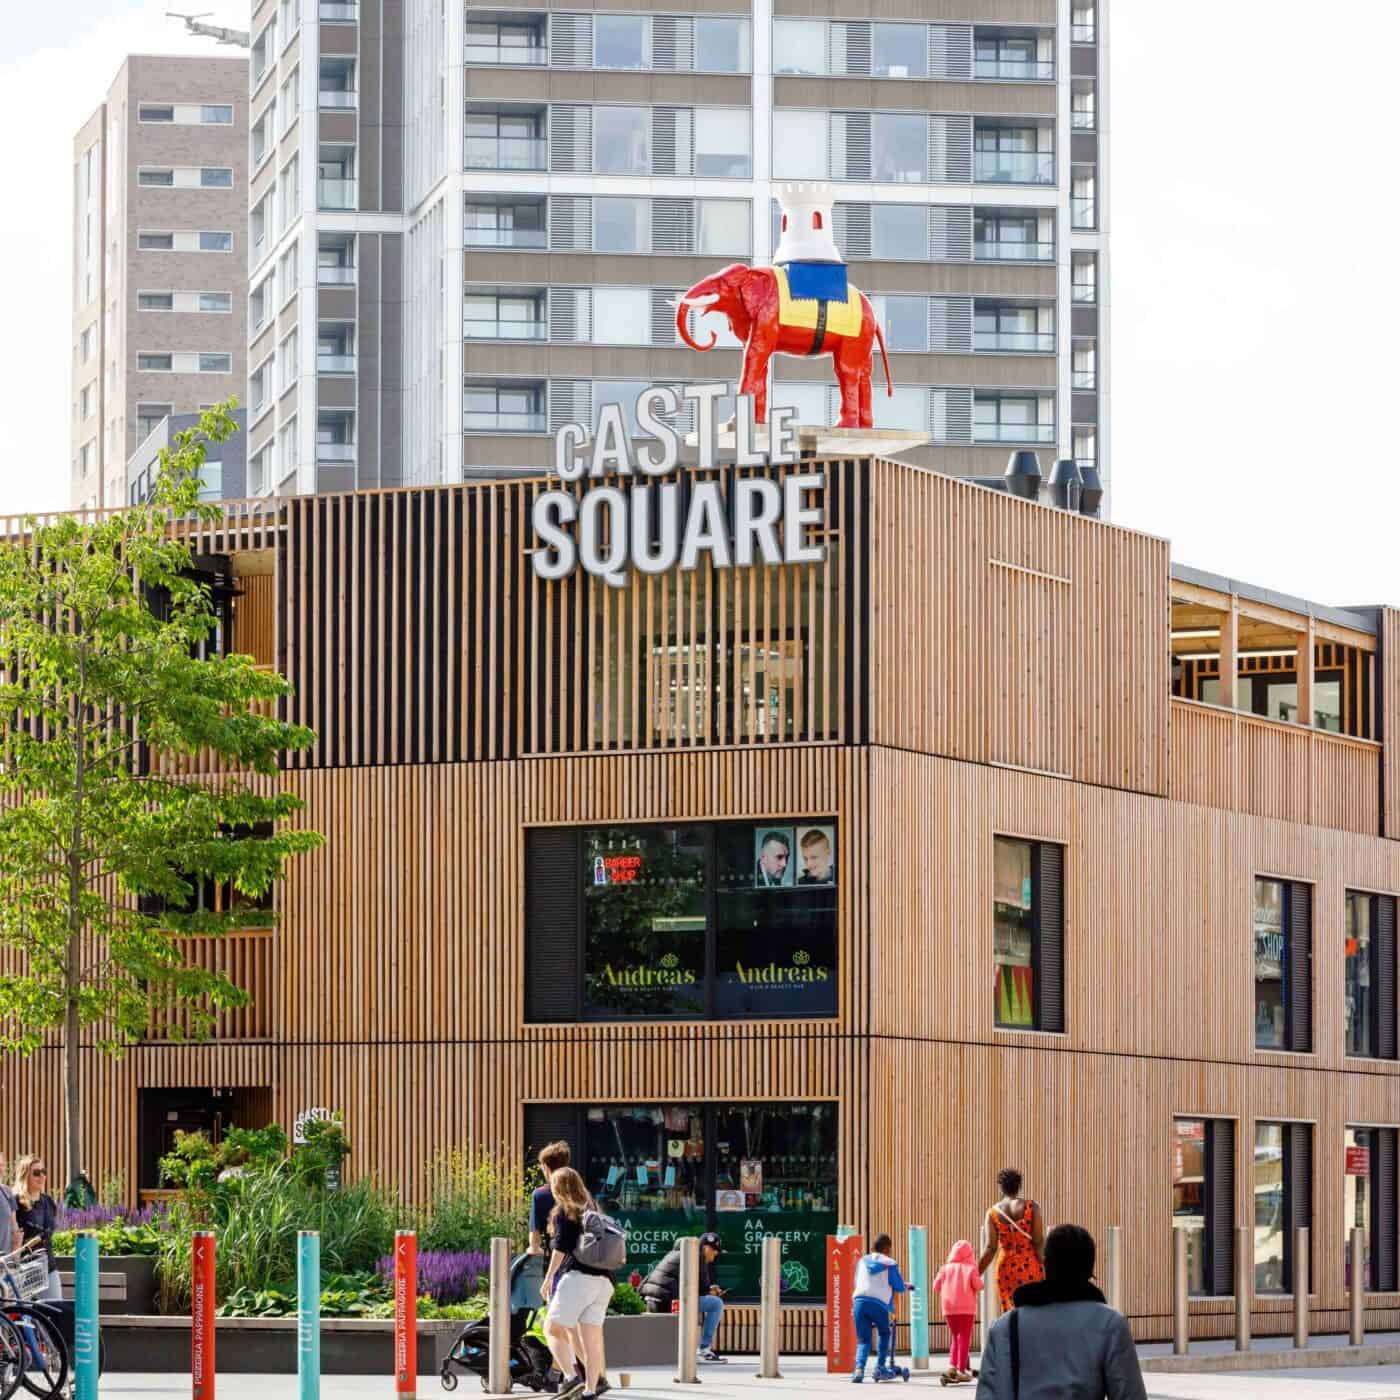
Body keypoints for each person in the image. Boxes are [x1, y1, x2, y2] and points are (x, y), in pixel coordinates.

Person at [975, 1224, 1145, 1400]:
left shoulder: (1005, 1327)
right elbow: (1130, 1395)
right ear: (1089, 1270)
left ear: (1045, 1264)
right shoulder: (1110, 1324)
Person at [541, 1167, 614, 1400]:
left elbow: (561, 1248)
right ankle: (592, 1389)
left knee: (551, 1328)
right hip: (604, 1282)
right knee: (591, 1341)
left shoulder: (566, 1210)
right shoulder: (592, 1209)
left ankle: (571, 1377)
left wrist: (549, 1278)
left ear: (558, 1188)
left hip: (578, 1279)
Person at [638, 1231, 727, 1362]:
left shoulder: (676, 1253)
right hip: (668, 1301)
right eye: (714, 1253)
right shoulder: (697, 1256)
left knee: (699, 1302)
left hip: (652, 1299)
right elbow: (703, 1289)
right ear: (707, 1248)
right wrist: (711, 1291)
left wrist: (707, 1289)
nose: (714, 1257)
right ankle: (704, 1350)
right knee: (716, 1304)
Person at [977, 1167, 1044, 1314]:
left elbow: (990, 1248)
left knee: (1010, 1314)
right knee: (1033, 1311)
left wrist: (976, 1274)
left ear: (1001, 1187)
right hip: (1030, 1265)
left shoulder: (992, 1213)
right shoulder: (1032, 1207)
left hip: (1006, 1269)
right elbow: (1038, 1242)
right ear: (1019, 1186)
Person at [851, 1233, 908, 1383]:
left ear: (873, 1248)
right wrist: (905, 1286)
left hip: (859, 1302)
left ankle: (859, 1370)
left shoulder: (862, 1261)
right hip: (878, 1304)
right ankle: (880, 1367)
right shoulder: (890, 1263)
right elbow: (898, 1286)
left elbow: (857, 1282)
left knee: (863, 1340)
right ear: (887, 1249)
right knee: (884, 1332)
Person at [932, 1239, 983, 1384]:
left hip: (949, 1309)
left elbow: (936, 1286)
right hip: (966, 1309)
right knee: (964, 1339)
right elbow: (979, 1286)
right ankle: (961, 1370)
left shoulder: (944, 1268)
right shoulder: (971, 1268)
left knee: (955, 1338)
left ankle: (952, 1367)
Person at [12, 1154, 61, 1299]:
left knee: (55, 1309)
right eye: (36, 1173)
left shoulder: (48, 1202)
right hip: (24, 1269)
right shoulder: (16, 1202)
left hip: (48, 1267)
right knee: (22, 1311)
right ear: (25, 1175)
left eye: (44, 1172)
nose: (42, 1176)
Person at [529, 1141, 572, 1256]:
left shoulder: (540, 1195)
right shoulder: (577, 1191)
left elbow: (534, 1241)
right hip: (584, 1259)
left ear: (546, 1168)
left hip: (556, 1259)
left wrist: (533, 1249)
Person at [0, 1153, 21, 1253]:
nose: (0, 1169)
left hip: (6, 1258)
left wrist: (15, 1256)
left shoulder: (7, 1192)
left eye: (1, 1165)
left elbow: (14, 1225)